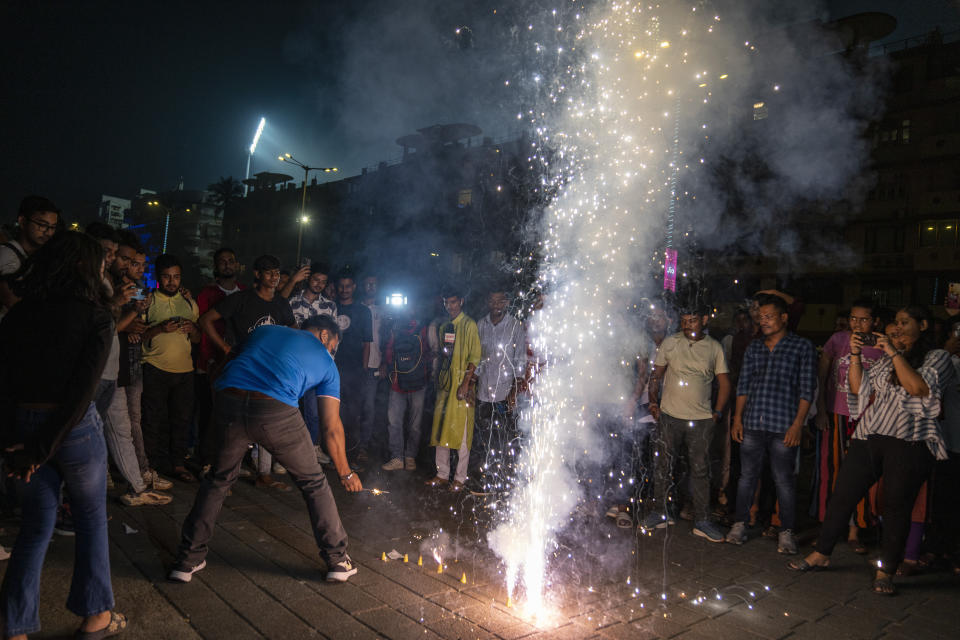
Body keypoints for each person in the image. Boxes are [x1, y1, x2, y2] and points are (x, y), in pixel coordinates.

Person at [168, 315, 362, 584]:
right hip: (275, 410)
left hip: (229, 401)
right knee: (314, 483)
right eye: (333, 346)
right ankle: (338, 560)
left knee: (218, 479)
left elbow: (228, 360)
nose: (332, 353)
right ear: (325, 335)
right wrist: (346, 473)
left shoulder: (266, 330)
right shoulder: (327, 363)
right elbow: (331, 427)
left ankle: (186, 560)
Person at [0, 232, 127, 639]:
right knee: (90, 518)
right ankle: (96, 617)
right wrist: (40, 447)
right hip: (73, 431)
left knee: (36, 525)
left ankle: (14, 627)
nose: (105, 270)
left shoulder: (20, 313)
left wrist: (19, 445)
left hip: (23, 427)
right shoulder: (96, 316)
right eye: (101, 264)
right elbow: (81, 393)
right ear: (84, 268)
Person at [789, 306, 952, 596]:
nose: (898, 328)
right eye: (895, 324)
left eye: (905, 323)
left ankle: (886, 570)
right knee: (844, 494)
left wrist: (892, 352)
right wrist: (854, 355)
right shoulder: (888, 360)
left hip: (910, 441)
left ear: (923, 325)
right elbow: (857, 388)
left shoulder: (937, 357)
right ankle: (822, 553)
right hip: (870, 435)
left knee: (896, 505)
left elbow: (918, 388)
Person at [727, 293, 816, 554]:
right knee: (746, 478)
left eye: (769, 317)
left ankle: (785, 531)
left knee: (784, 480)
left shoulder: (802, 347)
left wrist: (798, 424)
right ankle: (739, 524)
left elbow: (806, 389)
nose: (763, 321)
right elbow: (743, 385)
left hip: (784, 425)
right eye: (760, 317)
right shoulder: (755, 347)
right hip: (753, 421)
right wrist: (737, 419)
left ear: (784, 318)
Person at [199, 254, 296, 490]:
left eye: (276, 273)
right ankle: (221, 476)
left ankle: (264, 474)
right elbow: (205, 320)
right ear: (257, 274)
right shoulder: (242, 299)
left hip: (269, 369)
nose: (274, 277)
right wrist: (225, 348)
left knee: (265, 418)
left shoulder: (281, 303)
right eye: (268, 272)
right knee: (233, 422)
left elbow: (293, 328)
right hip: (241, 369)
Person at [641, 304, 730, 542]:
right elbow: (656, 375)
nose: (687, 324)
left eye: (692, 320)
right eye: (684, 320)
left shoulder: (714, 347)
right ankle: (661, 512)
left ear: (703, 320)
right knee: (663, 466)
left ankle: (702, 520)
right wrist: (653, 403)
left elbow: (724, 383)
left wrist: (717, 414)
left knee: (700, 470)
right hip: (669, 417)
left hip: (701, 420)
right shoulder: (671, 343)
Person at [813, 299, 882, 552]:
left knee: (862, 474)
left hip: (867, 419)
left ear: (875, 321)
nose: (857, 324)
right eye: (854, 318)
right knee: (830, 471)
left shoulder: (882, 345)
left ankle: (856, 529)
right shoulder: (838, 340)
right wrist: (820, 409)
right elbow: (822, 375)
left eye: (863, 319)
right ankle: (828, 527)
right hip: (836, 414)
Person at [140, 254, 200, 483]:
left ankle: (177, 464)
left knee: (182, 419)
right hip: (154, 368)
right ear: (158, 277)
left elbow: (196, 338)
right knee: (153, 419)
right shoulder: (148, 300)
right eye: (166, 277)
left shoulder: (188, 302)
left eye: (176, 277)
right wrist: (160, 329)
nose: (171, 282)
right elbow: (139, 336)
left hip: (184, 371)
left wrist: (192, 328)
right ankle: (150, 466)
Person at [194, 248, 245, 473]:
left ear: (237, 265)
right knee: (209, 412)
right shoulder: (206, 293)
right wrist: (206, 359)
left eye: (230, 260)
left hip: (238, 363)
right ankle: (206, 460)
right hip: (212, 360)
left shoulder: (245, 293)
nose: (226, 264)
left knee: (233, 413)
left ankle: (230, 461)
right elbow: (202, 327)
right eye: (222, 261)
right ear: (215, 266)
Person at [426, 285, 481, 491]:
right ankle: (442, 473)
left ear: (461, 302)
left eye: (453, 302)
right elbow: (444, 357)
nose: (450, 306)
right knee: (442, 430)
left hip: (461, 387)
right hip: (445, 386)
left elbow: (475, 357)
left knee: (463, 433)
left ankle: (460, 477)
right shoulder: (445, 327)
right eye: (446, 303)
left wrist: (466, 384)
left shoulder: (469, 325)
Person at [472, 288, 526, 492]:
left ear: (506, 302)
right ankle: (485, 478)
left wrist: (514, 390)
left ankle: (502, 478)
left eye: (500, 301)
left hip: (504, 392)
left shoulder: (514, 326)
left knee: (502, 437)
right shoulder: (481, 324)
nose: (496, 305)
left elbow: (520, 359)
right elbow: (477, 358)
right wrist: (471, 383)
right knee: (483, 436)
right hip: (484, 391)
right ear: (488, 302)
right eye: (492, 301)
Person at [288, 262, 339, 465]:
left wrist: (325, 368)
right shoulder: (292, 303)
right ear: (308, 279)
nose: (319, 284)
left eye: (323, 282)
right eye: (316, 280)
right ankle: (284, 455)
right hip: (293, 367)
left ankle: (310, 452)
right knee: (289, 412)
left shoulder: (330, 306)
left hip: (316, 369)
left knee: (314, 413)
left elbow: (335, 340)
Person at [380, 305, 432, 471]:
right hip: (399, 382)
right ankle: (398, 458)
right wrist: (391, 370)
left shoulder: (424, 328)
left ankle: (410, 456)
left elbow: (429, 352)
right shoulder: (395, 327)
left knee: (413, 424)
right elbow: (389, 352)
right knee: (395, 421)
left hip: (418, 382)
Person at [334, 271, 373, 464]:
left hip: (356, 370)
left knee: (354, 416)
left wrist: (364, 370)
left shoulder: (363, 311)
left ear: (354, 287)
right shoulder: (331, 308)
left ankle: (352, 457)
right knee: (335, 415)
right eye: (341, 286)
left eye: (348, 286)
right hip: (334, 370)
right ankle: (335, 456)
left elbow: (367, 343)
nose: (344, 290)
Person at [0, 196, 60, 320]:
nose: (48, 232)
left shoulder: (37, 257)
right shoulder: (7, 256)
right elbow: (13, 303)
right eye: (42, 225)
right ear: (22, 221)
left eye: (53, 227)